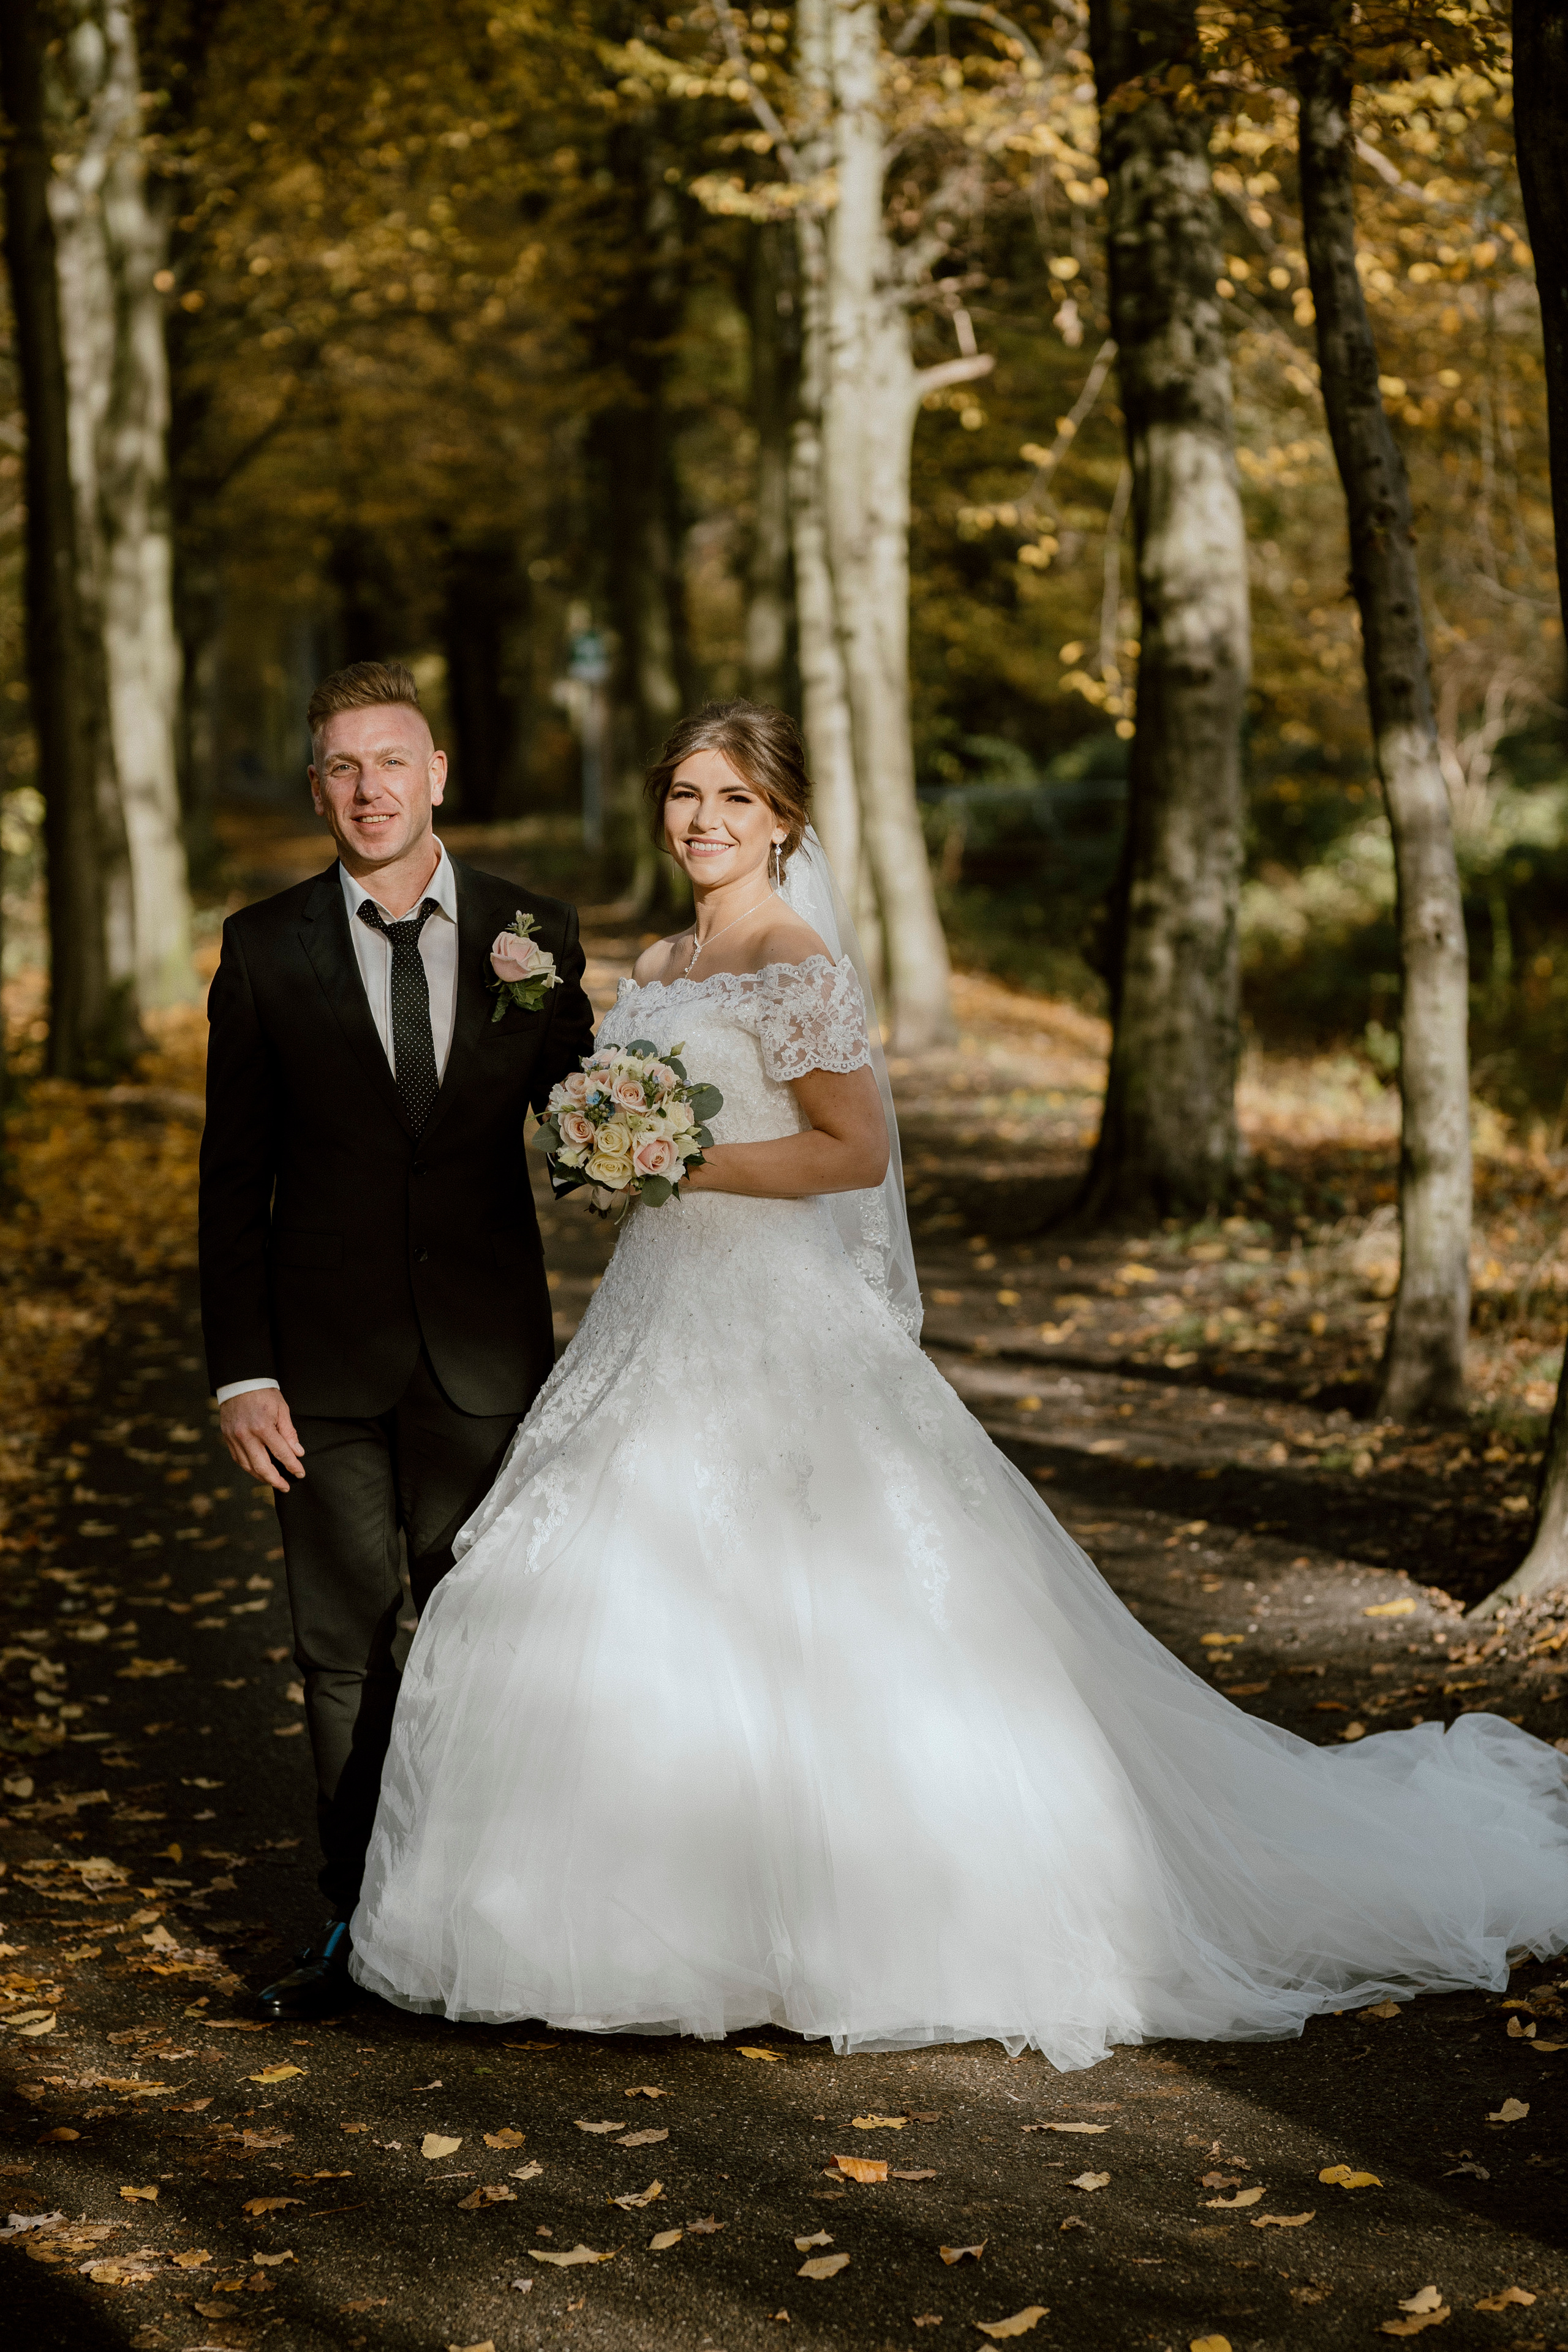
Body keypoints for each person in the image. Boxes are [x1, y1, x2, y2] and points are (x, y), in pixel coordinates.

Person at [349, 699, 1567, 2064]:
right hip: (658, 1308)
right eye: (685, 794)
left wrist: (668, 1162)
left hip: (773, 1311)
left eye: (733, 800)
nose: (703, 821)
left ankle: (846, 1923)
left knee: (827, 1600)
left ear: (784, 821)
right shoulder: (659, 957)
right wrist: (606, 1158)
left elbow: (850, 1151)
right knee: (584, 1583)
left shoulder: (794, 955)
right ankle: (601, 1922)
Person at [198, 660, 595, 2020]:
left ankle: (501, 1923)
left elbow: (585, 1110)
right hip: (317, 1369)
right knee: (342, 1648)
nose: (369, 790)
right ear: (317, 790)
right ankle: (360, 1929)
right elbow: (229, 1178)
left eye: (392, 762)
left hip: (487, 1354)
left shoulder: (532, 930)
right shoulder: (261, 947)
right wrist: (241, 1371)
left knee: (493, 1635)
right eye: (341, 769)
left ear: (439, 775)